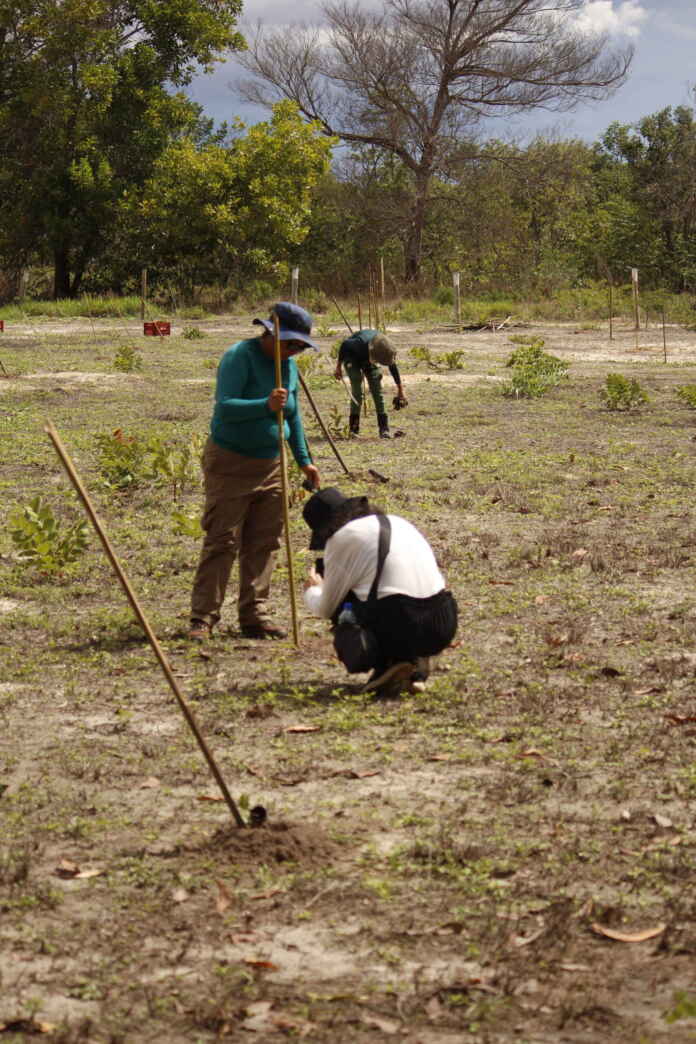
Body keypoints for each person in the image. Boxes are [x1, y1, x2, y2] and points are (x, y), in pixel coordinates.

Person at [189, 302, 320, 641]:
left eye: (301, 346)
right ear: (270, 334)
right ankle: (203, 617)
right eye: (291, 343)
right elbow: (225, 407)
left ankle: (254, 614)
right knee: (223, 540)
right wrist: (264, 405)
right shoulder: (239, 356)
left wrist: (303, 459)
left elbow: (292, 414)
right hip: (230, 463)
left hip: (272, 465)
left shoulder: (288, 366)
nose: (295, 351)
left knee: (265, 541)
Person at [302, 488, 458, 693]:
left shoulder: (340, 538)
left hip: (401, 623)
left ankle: (388, 663)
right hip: (444, 620)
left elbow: (326, 608)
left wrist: (313, 590)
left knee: (345, 605)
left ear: (325, 530)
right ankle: (414, 663)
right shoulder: (399, 522)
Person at [334, 329, 407, 439]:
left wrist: (400, 389)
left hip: (367, 358)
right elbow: (345, 344)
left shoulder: (385, 348)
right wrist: (338, 367)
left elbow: (392, 367)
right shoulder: (359, 343)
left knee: (377, 390)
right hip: (352, 357)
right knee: (357, 391)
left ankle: (384, 429)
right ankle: (353, 430)